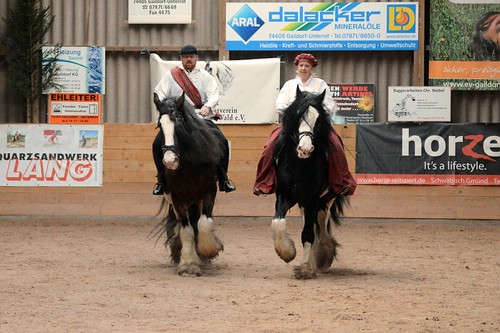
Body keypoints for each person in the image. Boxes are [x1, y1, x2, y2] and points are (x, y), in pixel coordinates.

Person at [253, 53, 357, 197]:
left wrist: (316, 110)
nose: (303, 68)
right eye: (301, 66)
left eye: (306, 66)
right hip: (292, 126)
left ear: (311, 68)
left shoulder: (320, 84)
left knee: (336, 144)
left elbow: (330, 106)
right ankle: (264, 182)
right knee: (270, 145)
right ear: (297, 67)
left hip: (316, 127)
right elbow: (279, 105)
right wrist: (296, 109)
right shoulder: (290, 85)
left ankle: (342, 182)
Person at [152, 44, 235, 195]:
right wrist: (167, 107)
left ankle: (223, 178)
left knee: (221, 140)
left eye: (191, 56)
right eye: (185, 57)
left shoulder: (205, 76)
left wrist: (207, 107)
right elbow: (159, 93)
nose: (188, 59)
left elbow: (214, 94)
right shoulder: (171, 75)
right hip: (177, 117)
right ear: (181, 59)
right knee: (157, 143)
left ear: (196, 58)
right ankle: (161, 181)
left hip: (200, 116)